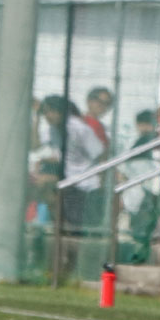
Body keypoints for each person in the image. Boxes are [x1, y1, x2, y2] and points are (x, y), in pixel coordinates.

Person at [34, 95, 107, 227]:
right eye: (45, 112)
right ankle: (56, 222)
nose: (48, 116)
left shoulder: (79, 128)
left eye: (51, 111)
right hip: (67, 181)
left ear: (60, 111)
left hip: (85, 183)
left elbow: (101, 154)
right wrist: (36, 118)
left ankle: (61, 224)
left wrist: (102, 183)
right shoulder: (52, 129)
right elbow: (34, 146)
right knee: (36, 182)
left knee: (44, 182)